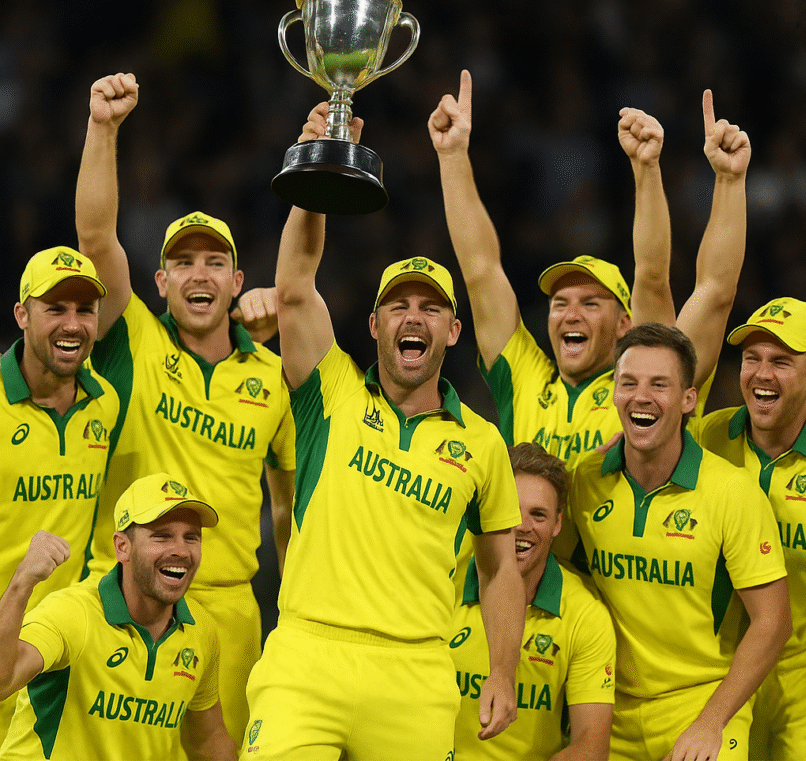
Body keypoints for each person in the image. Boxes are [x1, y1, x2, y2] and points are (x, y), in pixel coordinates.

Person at [240, 103, 524, 760]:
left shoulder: (481, 443)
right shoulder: (330, 389)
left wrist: (502, 671)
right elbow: (294, 285)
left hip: (416, 673)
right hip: (307, 656)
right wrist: (317, 163)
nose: (412, 318)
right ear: (374, 326)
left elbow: (499, 569)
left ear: (452, 333)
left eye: (430, 308)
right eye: (398, 306)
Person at [74, 72, 295, 746]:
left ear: (236, 280)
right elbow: (93, 238)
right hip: (127, 598)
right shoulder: (133, 340)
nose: (200, 275)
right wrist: (104, 129)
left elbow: (284, 506)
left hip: (229, 611)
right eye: (183, 263)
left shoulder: (273, 375)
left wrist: (296, 611)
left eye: (215, 263)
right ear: (160, 282)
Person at [428, 73, 749, 464]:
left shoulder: (646, 388)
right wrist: (452, 157)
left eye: (592, 303)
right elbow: (480, 269)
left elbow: (666, 280)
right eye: (559, 302)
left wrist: (653, 170)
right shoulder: (524, 380)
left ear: (625, 325)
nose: (570, 314)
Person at [569, 323, 791, 761]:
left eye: (659, 385)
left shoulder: (733, 492)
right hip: (609, 709)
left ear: (689, 400)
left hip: (704, 702)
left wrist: (710, 723)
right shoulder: (584, 479)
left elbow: (773, 623)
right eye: (627, 383)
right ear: (613, 394)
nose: (641, 396)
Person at [0, 472, 235, 760]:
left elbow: (208, 740)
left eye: (191, 538)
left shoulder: (201, 631)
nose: (181, 551)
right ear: (122, 546)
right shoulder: (73, 613)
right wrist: (21, 583)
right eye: (161, 537)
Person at [0, 246, 120, 746]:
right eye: (56, 309)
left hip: (58, 654)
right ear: (23, 314)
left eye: (84, 310)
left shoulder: (105, 403)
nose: (73, 324)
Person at [690, 299, 806, 761]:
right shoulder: (704, 440)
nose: (762, 373)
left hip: (801, 680)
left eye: (781, 361)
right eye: (752, 358)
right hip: (717, 677)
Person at [451, 442, 615, 761]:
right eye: (510, 510)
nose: (521, 527)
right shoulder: (445, 581)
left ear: (557, 524)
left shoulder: (585, 613)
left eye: (538, 515)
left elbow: (591, 746)